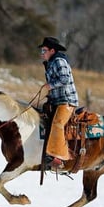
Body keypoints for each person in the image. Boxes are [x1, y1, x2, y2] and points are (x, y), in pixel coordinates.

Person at [39, 36, 78, 170]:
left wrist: (51, 85)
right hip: (57, 100)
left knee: (58, 124)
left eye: (44, 50)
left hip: (66, 101)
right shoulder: (51, 62)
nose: (42, 53)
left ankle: (58, 158)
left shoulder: (59, 61)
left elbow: (65, 79)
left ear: (52, 51)